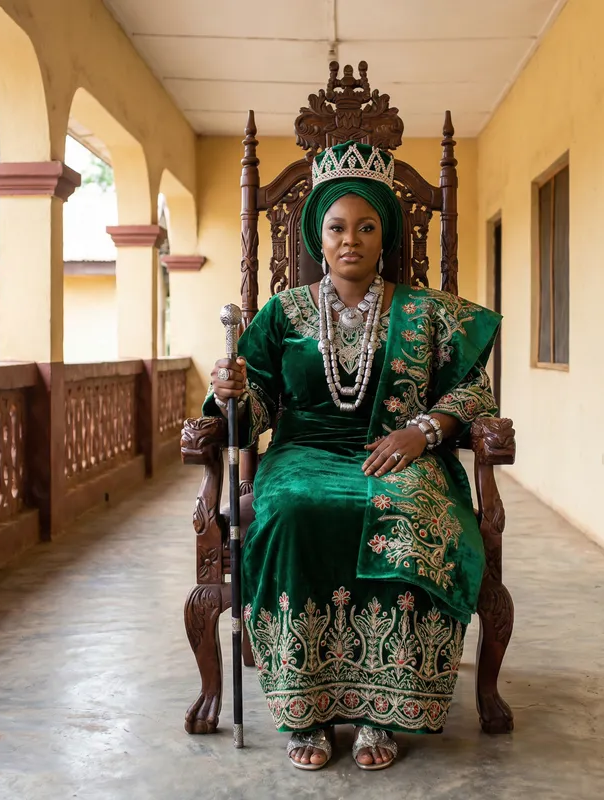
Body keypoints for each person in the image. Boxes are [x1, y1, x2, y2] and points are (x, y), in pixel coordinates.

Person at [205, 141, 500, 771]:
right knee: (292, 510)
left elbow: (473, 387)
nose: (350, 240)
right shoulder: (282, 313)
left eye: (366, 227)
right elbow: (254, 399)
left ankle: (381, 710)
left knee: (413, 510)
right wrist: (228, 390)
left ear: (384, 234)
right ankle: (306, 712)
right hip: (304, 451)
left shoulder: (424, 312)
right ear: (318, 236)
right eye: (337, 227)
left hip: (401, 453)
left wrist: (423, 431)